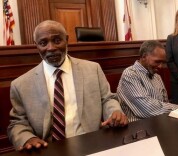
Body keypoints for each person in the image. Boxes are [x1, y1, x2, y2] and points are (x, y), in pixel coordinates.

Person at [7, 20, 128, 151]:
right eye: (43, 43)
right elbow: (17, 123)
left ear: (67, 40)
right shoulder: (21, 84)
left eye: (57, 40)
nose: (51, 47)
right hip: (48, 149)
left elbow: (107, 99)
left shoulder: (92, 69)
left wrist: (114, 111)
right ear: (36, 45)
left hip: (92, 143)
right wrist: (27, 138)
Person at [117, 40, 178, 122]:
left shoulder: (157, 76)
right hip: (139, 128)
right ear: (144, 57)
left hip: (159, 123)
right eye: (157, 61)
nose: (161, 66)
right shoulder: (130, 74)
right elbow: (147, 108)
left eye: (163, 62)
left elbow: (165, 103)